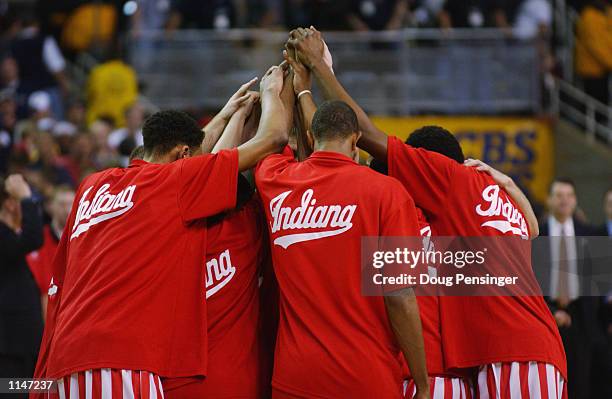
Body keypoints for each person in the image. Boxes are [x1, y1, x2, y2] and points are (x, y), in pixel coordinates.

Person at [288, 27, 567, 398]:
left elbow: (358, 140)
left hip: (498, 360)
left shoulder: (438, 191)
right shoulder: (481, 202)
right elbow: (532, 233)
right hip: (526, 355)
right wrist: (512, 186)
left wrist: (320, 71)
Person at [31, 67, 289, 398]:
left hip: (60, 366)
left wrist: (228, 115)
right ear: (182, 156)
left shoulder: (92, 185)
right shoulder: (173, 187)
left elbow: (190, 158)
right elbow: (274, 138)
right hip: (122, 363)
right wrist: (272, 90)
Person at [255, 95, 430, 398]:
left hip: (295, 377)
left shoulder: (275, 181)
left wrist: (285, 89)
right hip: (365, 376)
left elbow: (274, 136)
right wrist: (423, 384)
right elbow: (399, 296)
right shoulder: (386, 192)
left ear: (310, 137)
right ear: (356, 140)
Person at [537, 177, 603, 399]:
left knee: (582, 383)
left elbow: (599, 281)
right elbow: (530, 282)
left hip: (582, 317)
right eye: (559, 195)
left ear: (575, 200)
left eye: (568, 196)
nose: (564, 201)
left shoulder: (590, 232)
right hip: (548, 315)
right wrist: (551, 310)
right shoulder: (537, 233)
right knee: (552, 382)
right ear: (549, 200)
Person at [0, 174, 43, 396]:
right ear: (9, 203)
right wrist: (26, 197)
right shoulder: (3, 235)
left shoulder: (10, 236)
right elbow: (34, 238)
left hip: (22, 343)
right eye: (22, 203)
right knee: (13, 392)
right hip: (10, 346)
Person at [26, 185, 75, 317]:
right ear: (50, 206)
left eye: (71, 204)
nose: (67, 210)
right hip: (43, 310)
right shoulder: (38, 240)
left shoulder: (81, 239)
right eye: (62, 204)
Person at [575, 0, 612, 105]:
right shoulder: (589, 16)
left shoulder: (606, 12)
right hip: (591, 71)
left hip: (603, 70)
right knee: (594, 107)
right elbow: (596, 47)